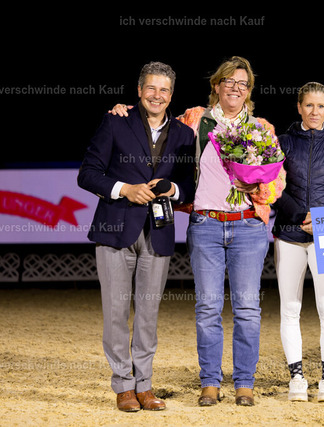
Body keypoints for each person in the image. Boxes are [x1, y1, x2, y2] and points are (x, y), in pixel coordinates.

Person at [110, 56, 285, 406]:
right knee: (207, 308)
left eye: (242, 84)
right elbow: (154, 123)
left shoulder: (261, 127)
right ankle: (210, 382)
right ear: (216, 85)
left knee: (247, 308)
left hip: (248, 226)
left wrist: (258, 188)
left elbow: (278, 179)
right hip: (206, 225)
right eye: (228, 81)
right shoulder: (194, 119)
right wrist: (127, 111)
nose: (235, 88)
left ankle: (244, 383)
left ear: (249, 90)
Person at [78, 61, 196, 411]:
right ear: (140, 90)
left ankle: (144, 384)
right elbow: (88, 174)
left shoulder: (184, 134)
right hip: (115, 228)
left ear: (171, 95)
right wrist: (124, 189)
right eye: (151, 88)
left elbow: (189, 186)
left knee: (148, 313)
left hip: (158, 231)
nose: (157, 95)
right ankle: (123, 385)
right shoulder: (116, 121)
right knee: (116, 311)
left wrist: (173, 189)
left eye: (164, 90)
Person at [271, 82, 324, 402]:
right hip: (289, 236)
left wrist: (322, 221)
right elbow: (275, 187)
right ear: (299, 107)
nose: (314, 112)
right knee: (290, 308)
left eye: (320, 106)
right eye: (309, 105)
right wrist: (299, 216)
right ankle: (297, 379)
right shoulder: (281, 143)